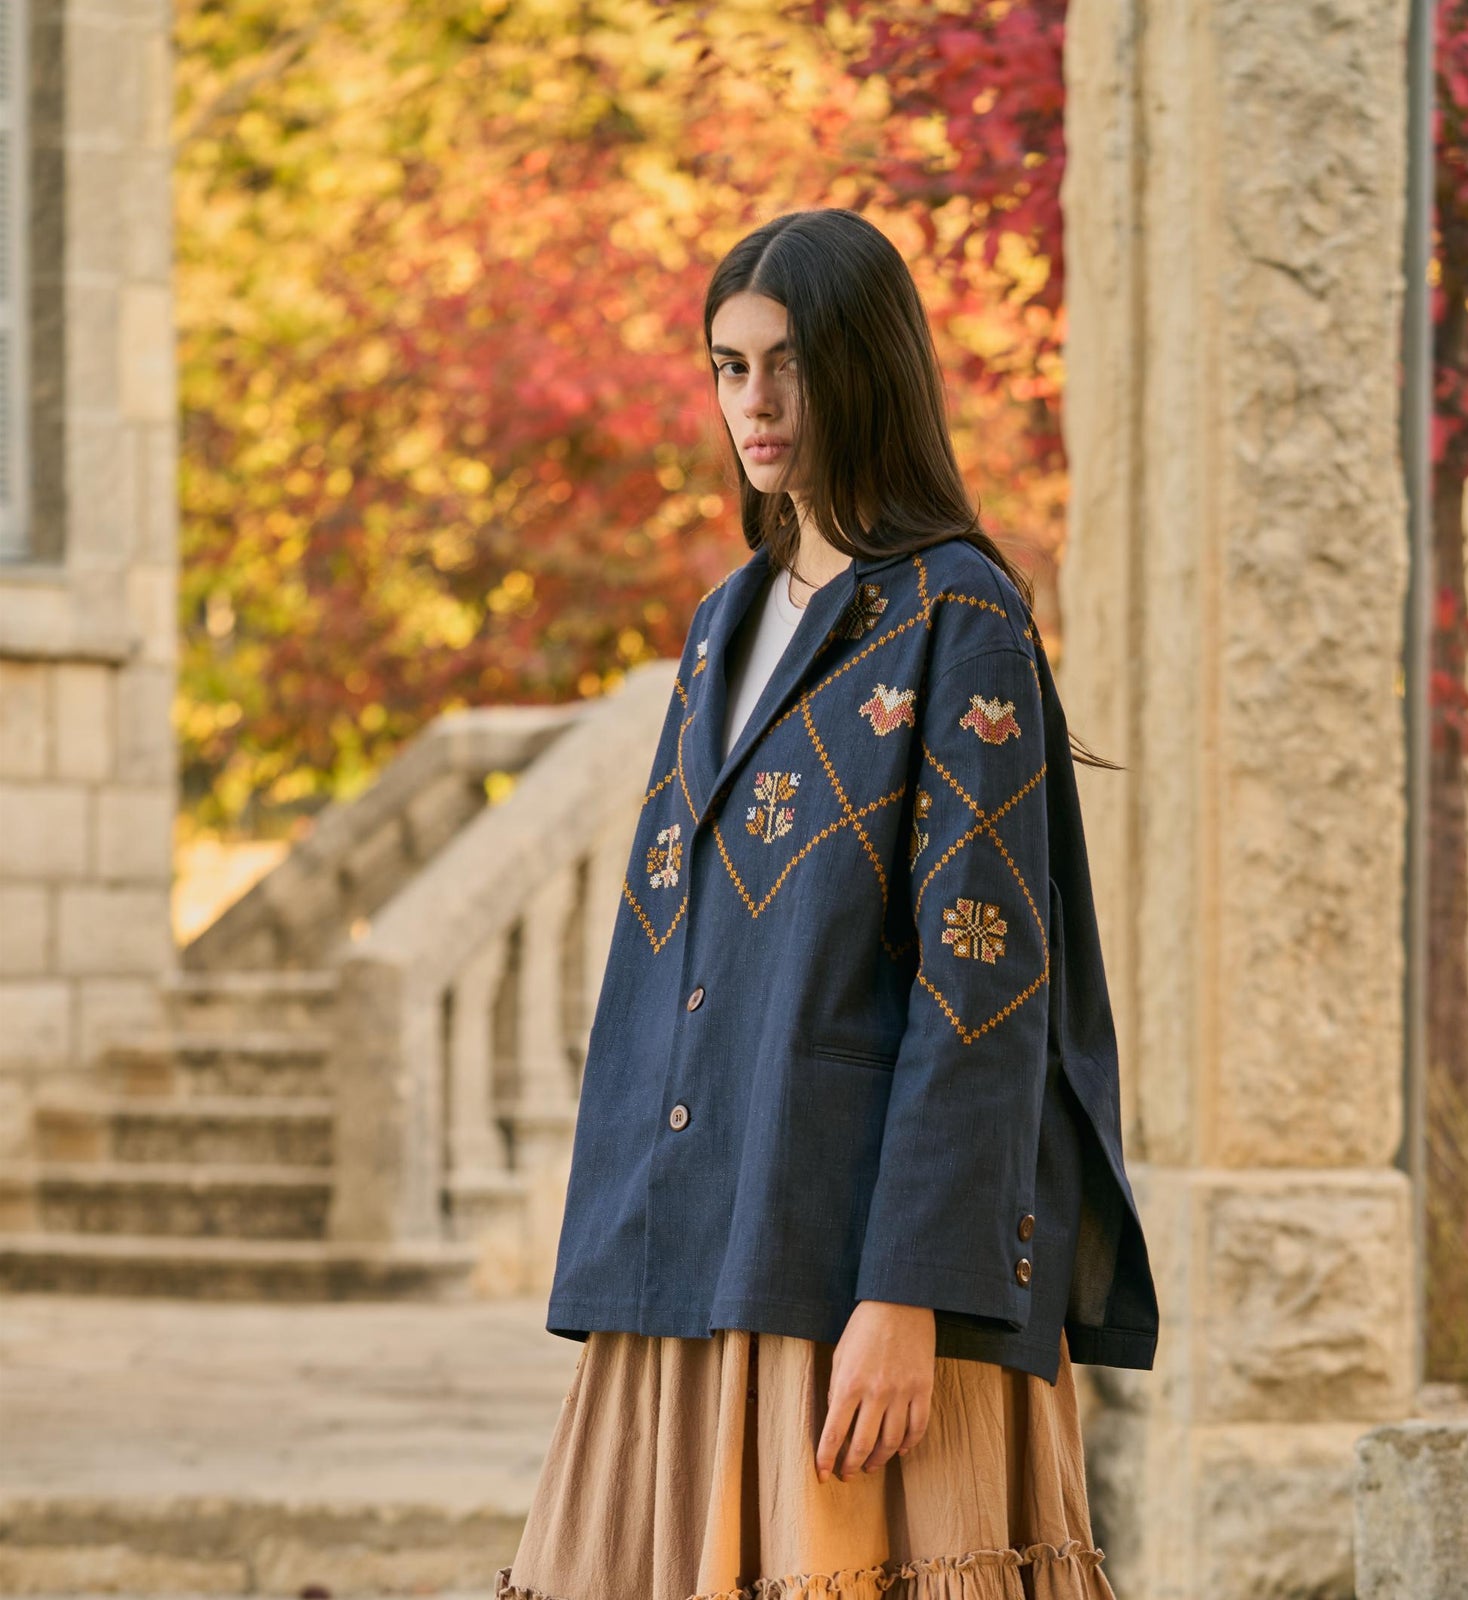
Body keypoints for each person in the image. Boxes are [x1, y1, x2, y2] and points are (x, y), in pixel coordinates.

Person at [496, 207, 1158, 1600]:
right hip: (693, 1254)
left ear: (866, 369)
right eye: (729, 367)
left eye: (789, 364)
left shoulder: (958, 614)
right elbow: (668, 958)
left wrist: (910, 1294)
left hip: (863, 1274)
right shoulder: (722, 624)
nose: (756, 403)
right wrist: (622, 1253)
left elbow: (982, 983)